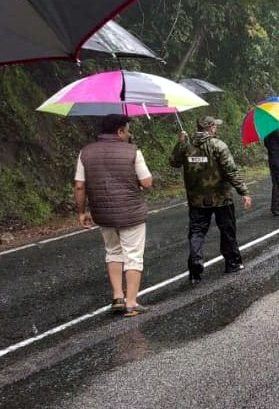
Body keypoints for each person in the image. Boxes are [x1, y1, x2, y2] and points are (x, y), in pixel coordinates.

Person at [74, 115, 152, 317]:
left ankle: (118, 297)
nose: (129, 133)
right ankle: (131, 303)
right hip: (131, 212)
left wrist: (81, 212)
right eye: (127, 129)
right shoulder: (133, 151)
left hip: (103, 213)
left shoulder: (85, 152)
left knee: (113, 252)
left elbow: (80, 185)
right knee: (133, 255)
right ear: (119, 131)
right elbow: (147, 182)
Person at [170, 116, 253, 284]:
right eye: (214, 126)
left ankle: (195, 265)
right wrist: (243, 192)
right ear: (210, 128)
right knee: (227, 230)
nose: (216, 128)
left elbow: (174, 162)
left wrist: (180, 143)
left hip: (197, 200)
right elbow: (231, 171)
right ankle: (232, 263)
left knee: (197, 232)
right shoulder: (218, 145)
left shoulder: (186, 147)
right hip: (221, 198)